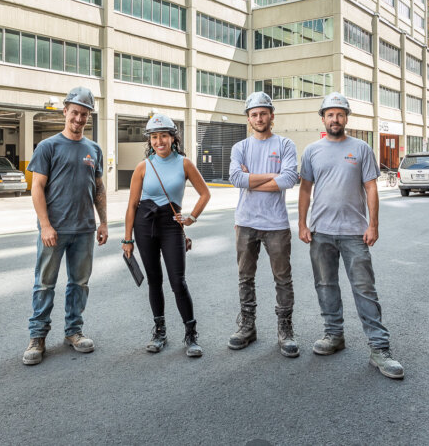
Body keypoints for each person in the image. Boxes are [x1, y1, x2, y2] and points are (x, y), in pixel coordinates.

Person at [298, 92, 405, 380]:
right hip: (321, 232)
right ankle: (334, 335)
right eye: (330, 114)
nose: (335, 119)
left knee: (364, 289)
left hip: (354, 233)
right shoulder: (311, 151)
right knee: (325, 285)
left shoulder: (361, 149)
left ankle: (380, 349)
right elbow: (305, 189)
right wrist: (302, 224)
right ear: (323, 118)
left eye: (340, 114)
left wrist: (374, 225)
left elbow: (371, 188)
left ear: (347, 118)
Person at [23, 87, 108, 366]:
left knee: (79, 284)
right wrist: (45, 225)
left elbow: (98, 188)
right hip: (54, 231)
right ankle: (37, 337)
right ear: (65, 111)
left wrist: (103, 221)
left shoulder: (93, 149)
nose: (79, 118)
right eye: (75, 112)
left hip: (84, 229)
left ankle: (73, 331)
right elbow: (37, 188)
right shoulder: (48, 146)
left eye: (84, 114)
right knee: (44, 284)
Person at [122, 114, 211, 357]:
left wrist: (191, 217)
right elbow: (132, 205)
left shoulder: (184, 163)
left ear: (173, 137)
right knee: (154, 281)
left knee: (178, 281)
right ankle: (159, 332)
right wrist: (127, 239)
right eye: (154, 137)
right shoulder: (143, 167)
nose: (159, 141)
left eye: (163, 135)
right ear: (149, 140)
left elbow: (205, 194)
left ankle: (191, 335)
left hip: (171, 226)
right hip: (144, 225)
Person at [227, 92, 300, 357]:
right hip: (245, 222)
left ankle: (285, 329)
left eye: (263, 113)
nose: (259, 118)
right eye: (254, 114)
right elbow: (236, 178)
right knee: (245, 277)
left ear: (271, 115)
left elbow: (290, 178)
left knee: (283, 278)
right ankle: (248, 326)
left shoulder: (285, 144)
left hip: (276, 224)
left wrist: (252, 178)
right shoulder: (240, 147)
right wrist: (273, 175)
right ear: (248, 118)